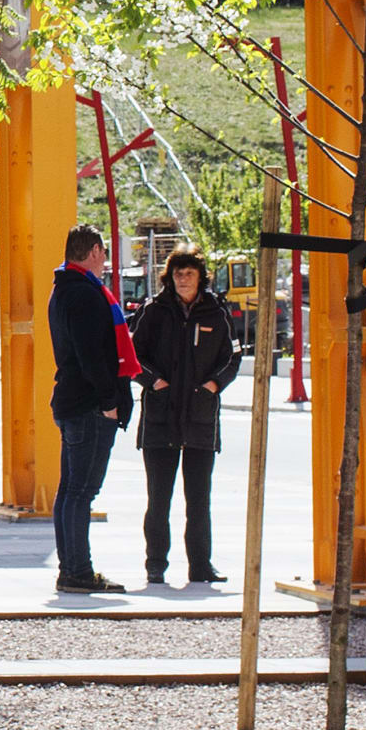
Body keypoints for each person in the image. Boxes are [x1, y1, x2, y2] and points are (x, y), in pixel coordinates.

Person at [133, 248, 240, 589]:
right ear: (170, 277)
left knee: (199, 499)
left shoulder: (216, 312)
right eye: (177, 273)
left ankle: (200, 566)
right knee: (158, 498)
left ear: (200, 276)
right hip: (161, 419)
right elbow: (134, 357)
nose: (182, 278)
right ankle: (155, 566)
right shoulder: (154, 311)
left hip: (200, 419)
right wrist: (156, 382)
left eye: (189, 273)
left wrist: (213, 386)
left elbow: (233, 357)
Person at [46, 224, 136, 594]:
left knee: (70, 490)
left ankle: (72, 569)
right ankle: (79, 571)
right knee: (81, 492)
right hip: (88, 406)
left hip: (72, 400)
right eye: (104, 252)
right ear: (96, 251)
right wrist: (110, 402)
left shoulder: (65, 289)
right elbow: (92, 356)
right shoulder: (84, 294)